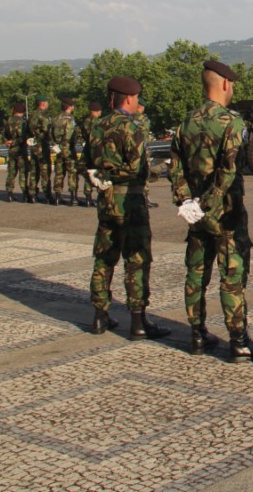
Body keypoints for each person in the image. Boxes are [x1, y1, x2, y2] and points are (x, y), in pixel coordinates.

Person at [170, 60, 253, 361]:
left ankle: (197, 334)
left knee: (196, 273)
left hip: (195, 216)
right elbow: (230, 170)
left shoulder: (185, 122)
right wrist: (209, 202)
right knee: (231, 275)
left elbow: (174, 167)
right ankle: (239, 340)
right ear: (226, 85)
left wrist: (185, 202)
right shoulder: (232, 122)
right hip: (226, 214)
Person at [84, 76, 170, 340]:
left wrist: (103, 174)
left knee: (104, 257)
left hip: (106, 201)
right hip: (130, 201)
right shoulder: (132, 128)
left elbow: (87, 163)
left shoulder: (96, 126)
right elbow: (136, 169)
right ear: (130, 99)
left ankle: (100, 315)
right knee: (137, 260)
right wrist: (160, 168)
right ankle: (138, 320)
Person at [73, 101, 103, 207]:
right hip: (97, 150)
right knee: (99, 174)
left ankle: (88, 199)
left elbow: (78, 136)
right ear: (97, 111)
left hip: (86, 150)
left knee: (87, 174)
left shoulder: (84, 122)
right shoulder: (99, 122)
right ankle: (101, 197)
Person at [49, 97, 77, 206]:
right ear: (70, 107)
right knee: (72, 173)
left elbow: (50, 134)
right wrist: (63, 145)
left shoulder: (55, 119)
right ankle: (72, 197)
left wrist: (56, 145)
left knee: (59, 173)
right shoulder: (70, 119)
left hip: (58, 150)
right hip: (68, 149)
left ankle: (57, 197)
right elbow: (68, 134)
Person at [2, 103, 31, 203]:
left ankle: (9, 194)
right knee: (23, 172)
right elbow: (24, 137)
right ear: (23, 112)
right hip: (21, 150)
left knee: (11, 172)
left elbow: (4, 135)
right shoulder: (23, 122)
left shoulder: (8, 121)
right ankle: (25, 194)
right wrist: (15, 142)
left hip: (12, 150)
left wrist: (7, 142)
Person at [27, 95, 52, 203]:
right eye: (47, 102)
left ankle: (32, 194)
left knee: (34, 170)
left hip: (34, 146)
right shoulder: (44, 115)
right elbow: (47, 130)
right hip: (42, 146)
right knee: (45, 171)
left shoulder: (32, 115)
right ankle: (47, 195)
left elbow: (27, 130)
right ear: (43, 103)